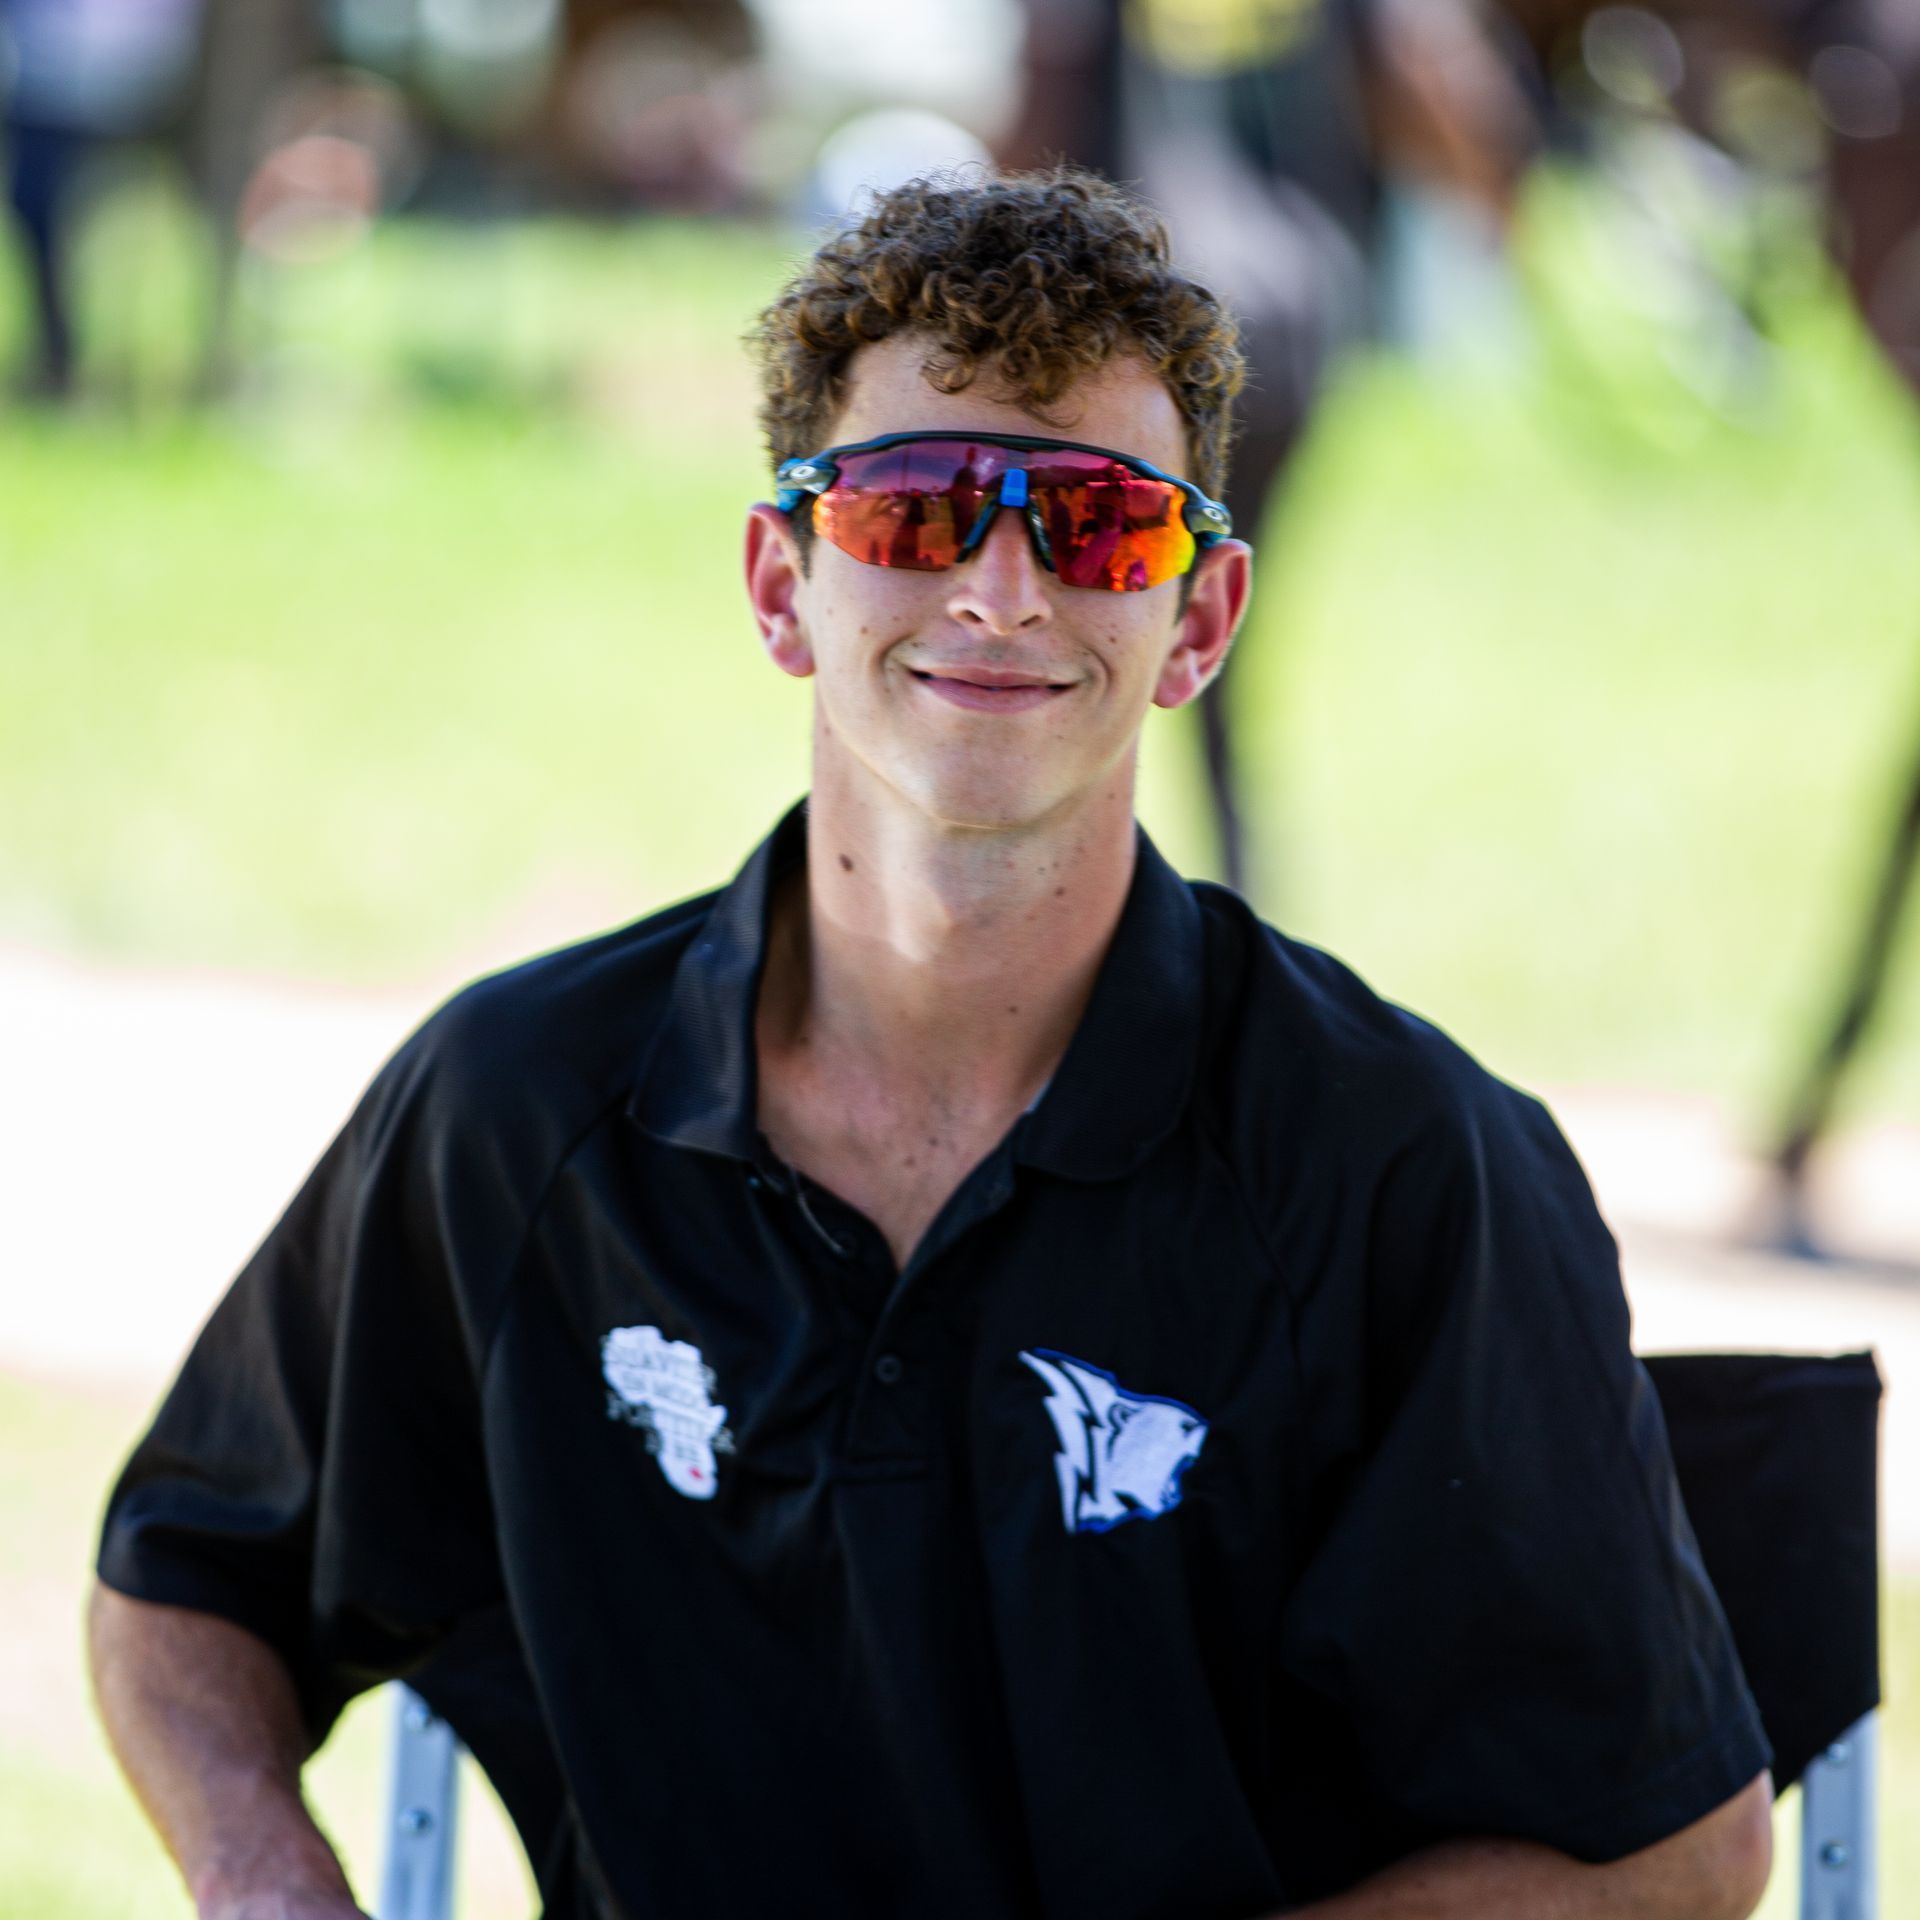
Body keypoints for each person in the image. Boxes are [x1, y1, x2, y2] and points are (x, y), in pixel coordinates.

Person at [89, 167, 1775, 1920]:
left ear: (1196, 620)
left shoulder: (1401, 1160)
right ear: (779, 582)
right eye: (912, 511)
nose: (1001, 590)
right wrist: (266, 1881)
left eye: (1102, 525)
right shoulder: (516, 1113)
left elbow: (1672, 1852)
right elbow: (190, 1577)